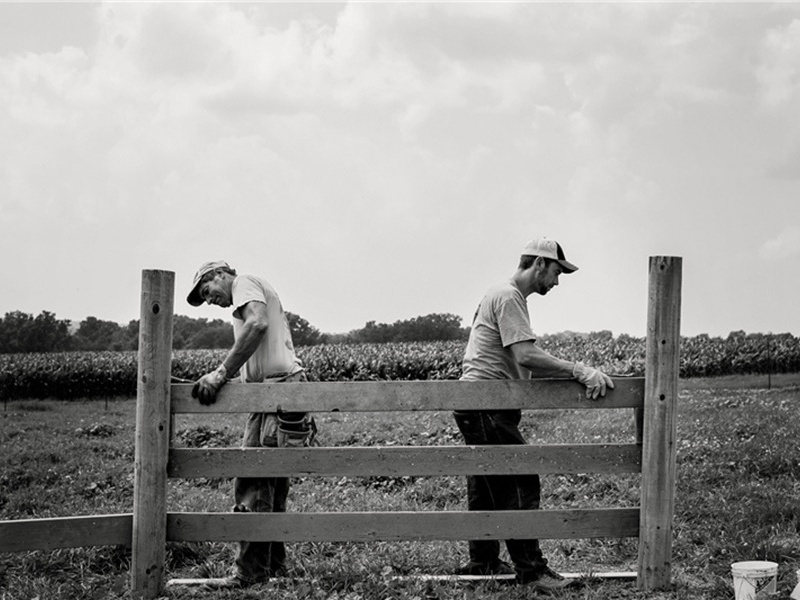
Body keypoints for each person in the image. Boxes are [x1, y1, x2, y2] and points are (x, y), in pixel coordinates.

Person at [453, 238, 614, 591]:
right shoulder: (509, 296)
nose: (556, 282)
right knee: (519, 481)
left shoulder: (499, 293)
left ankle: (483, 562)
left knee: (486, 482)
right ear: (539, 264)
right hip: (486, 402)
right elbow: (526, 356)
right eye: (556, 272)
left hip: (476, 401)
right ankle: (532, 572)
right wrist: (579, 370)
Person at [187, 260, 315, 588]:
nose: (210, 300)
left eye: (207, 290)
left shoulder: (244, 282)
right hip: (274, 394)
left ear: (221, 274)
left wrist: (221, 373)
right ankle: (273, 568)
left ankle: (250, 574)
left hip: (274, 396)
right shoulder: (245, 296)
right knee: (272, 485)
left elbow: (257, 325)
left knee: (255, 482)